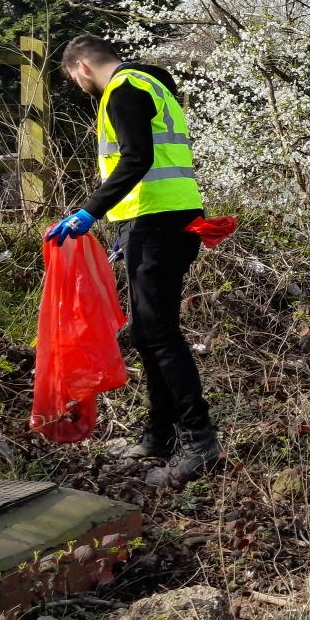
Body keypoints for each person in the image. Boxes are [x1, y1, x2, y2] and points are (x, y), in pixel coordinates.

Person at [49, 36, 220, 482]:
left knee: (159, 334)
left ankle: (199, 442)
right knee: (149, 333)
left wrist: (90, 210)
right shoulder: (153, 85)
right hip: (169, 220)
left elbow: (137, 158)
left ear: (82, 67)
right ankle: (159, 435)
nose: (78, 85)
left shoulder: (122, 91)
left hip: (156, 223)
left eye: (72, 78)